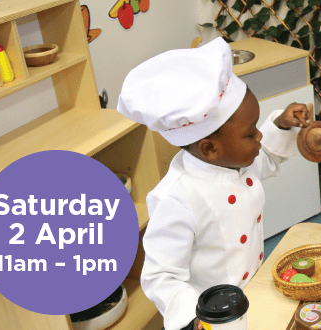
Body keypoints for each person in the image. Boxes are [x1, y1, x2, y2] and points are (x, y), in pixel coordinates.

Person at [116, 38, 308, 330]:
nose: (259, 137)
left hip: (251, 290)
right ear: (209, 149)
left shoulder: (232, 161)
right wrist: (194, 319)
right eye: (250, 134)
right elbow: (161, 276)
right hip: (213, 317)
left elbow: (265, 158)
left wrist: (280, 124)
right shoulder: (177, 197)